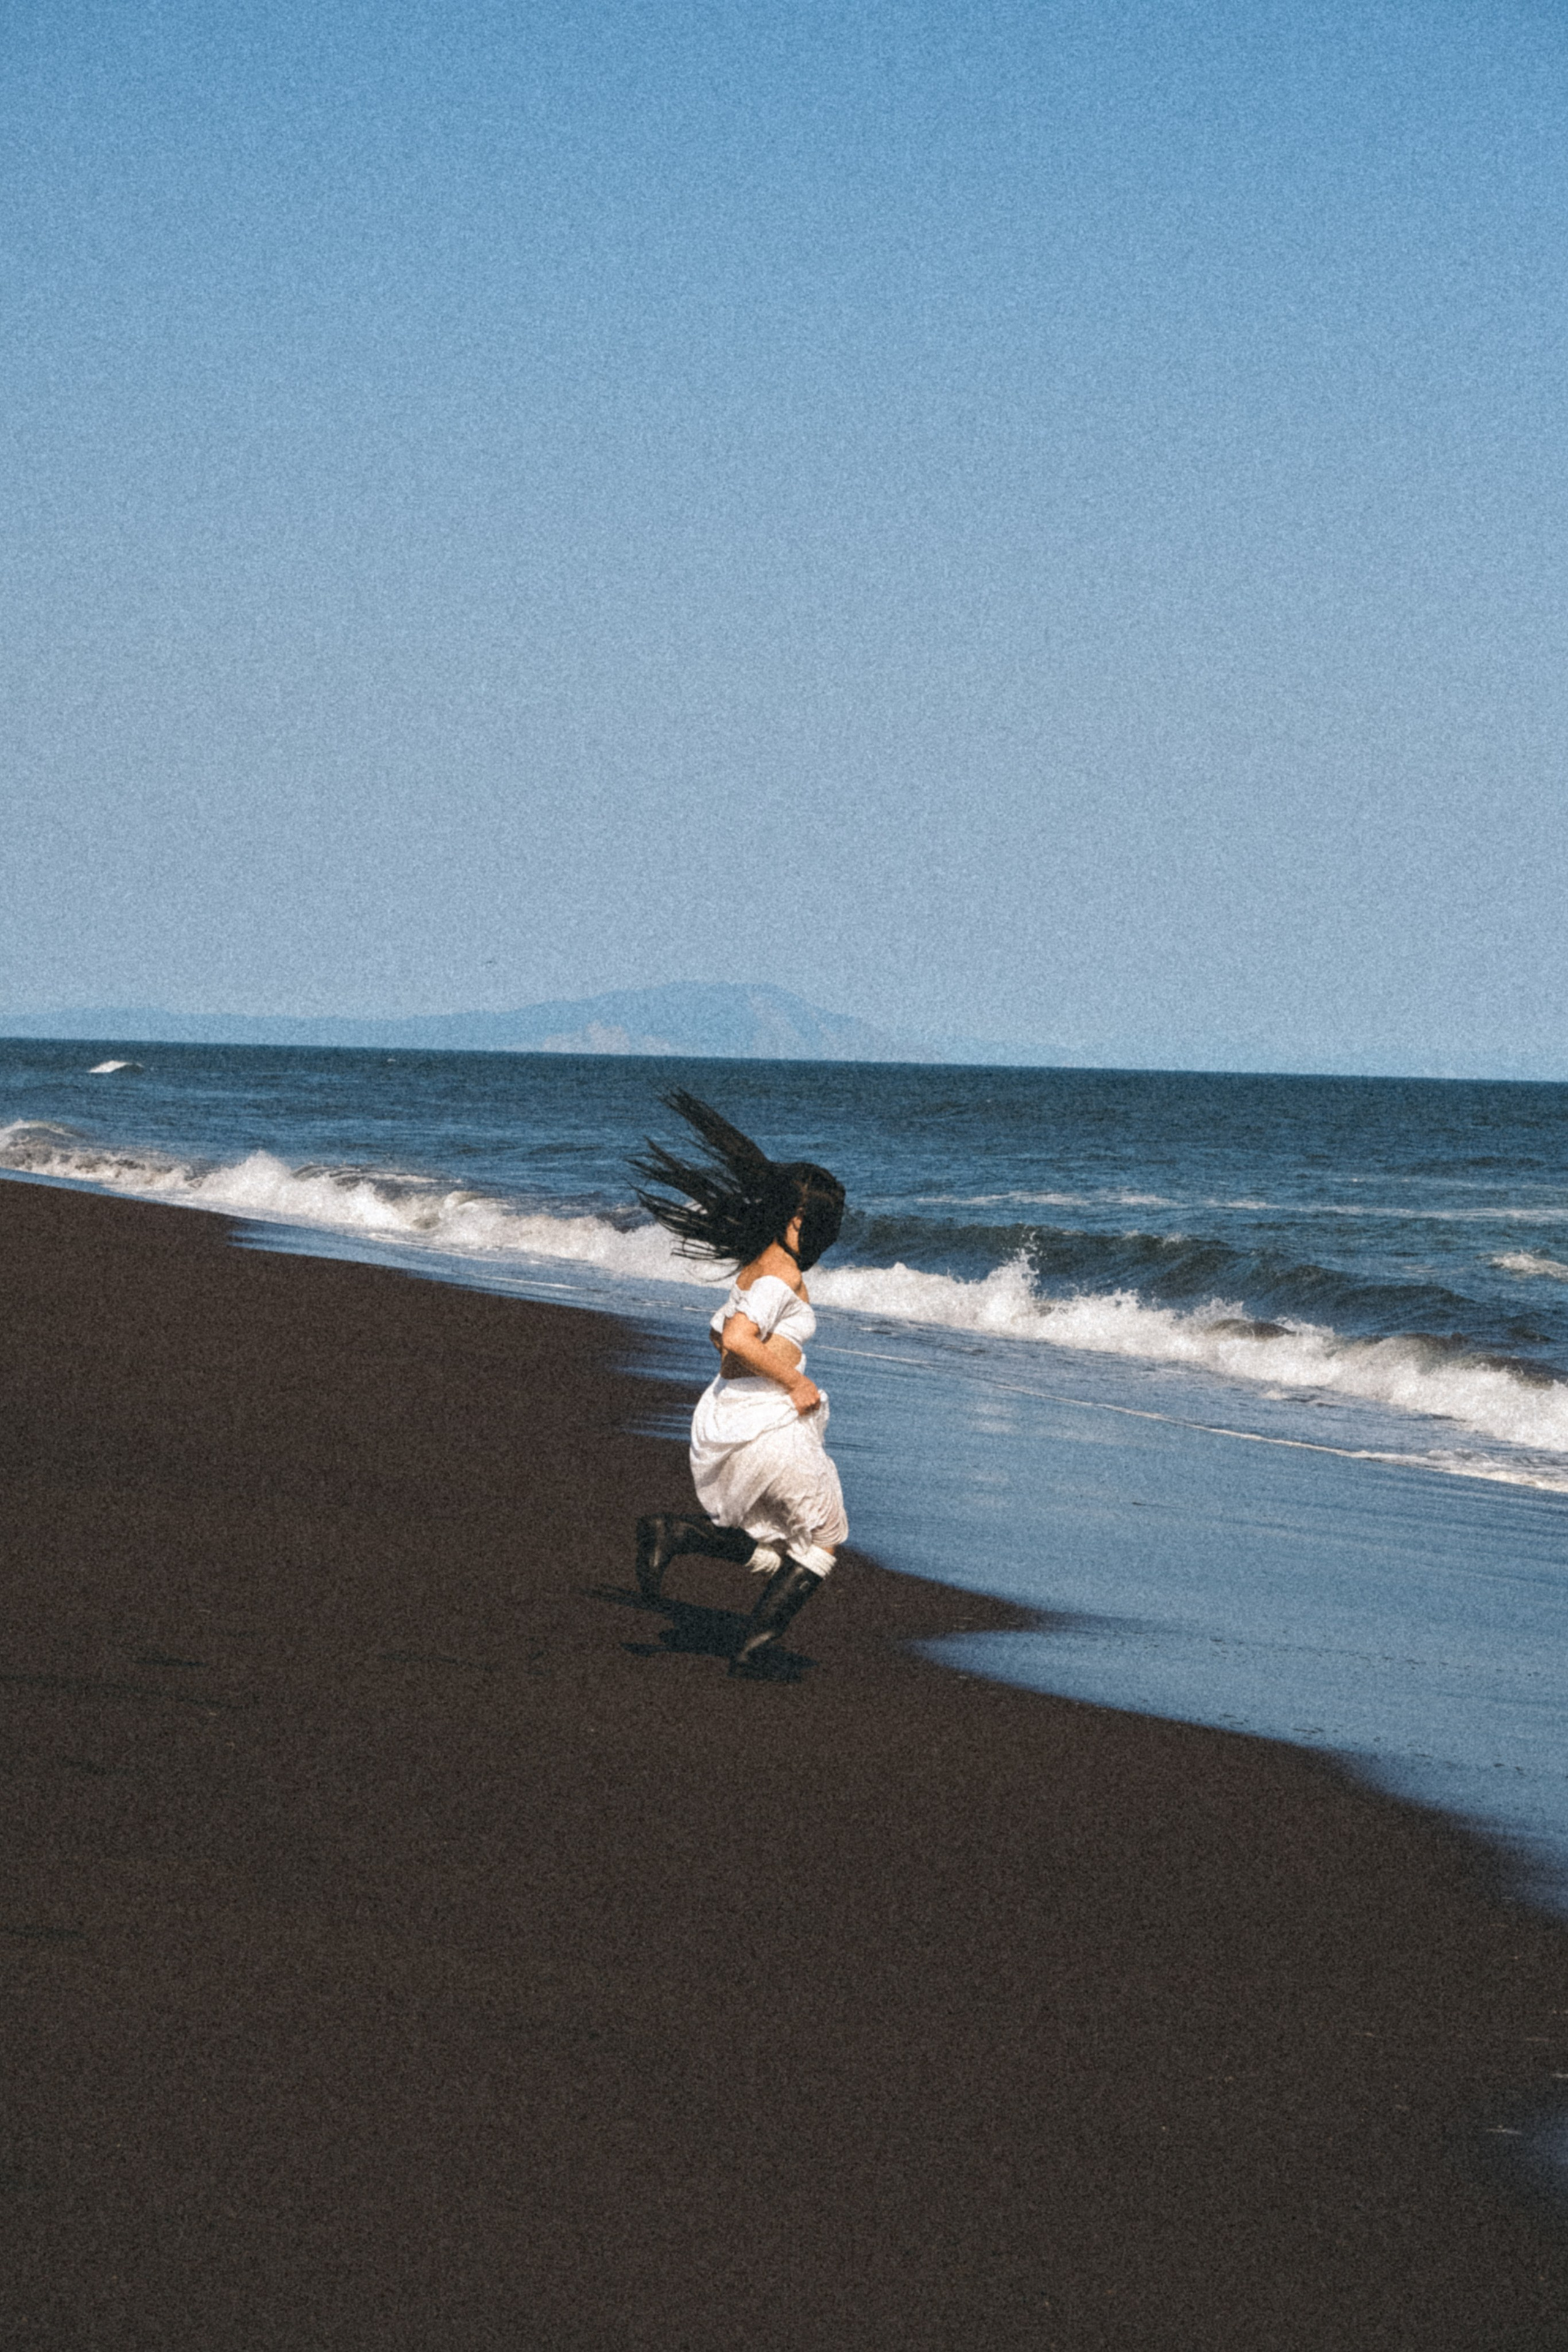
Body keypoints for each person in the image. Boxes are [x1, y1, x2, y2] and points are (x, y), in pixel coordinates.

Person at [630, 1091, 848, 1676]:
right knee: (824, 1539)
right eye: (825, 1223)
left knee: (778, 1546)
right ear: (799, 1220)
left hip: (733, 1415)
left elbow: (719, 1333)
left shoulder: (758, 1265)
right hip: (768, 1424)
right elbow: (737, 1339)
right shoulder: (781, 1274)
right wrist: (794, 1382)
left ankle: (677, 1533)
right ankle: (754, 1649)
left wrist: (753, 1365)